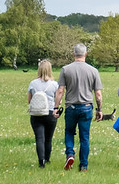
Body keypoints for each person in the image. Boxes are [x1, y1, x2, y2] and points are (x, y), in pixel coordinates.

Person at [54, 44, 103, 172]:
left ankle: (70, 154)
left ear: (73, 54)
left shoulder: (65, 69)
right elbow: (98, 94)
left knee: (69, 132)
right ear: (85, 54)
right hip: (86, 107)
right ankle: (83, 166)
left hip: (71, 107)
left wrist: (55, 107)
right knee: (84, 137)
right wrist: (99, 109)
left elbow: (60, 90)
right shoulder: (93, 71)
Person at [27, 59, 59, 168]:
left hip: (36, 113)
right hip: (50, 113)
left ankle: (41, 161)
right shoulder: (54, 84)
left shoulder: (33, 83)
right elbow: (58, 100)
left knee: (39, 138)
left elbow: (29, 100)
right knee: (48, 138)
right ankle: (47, 158)